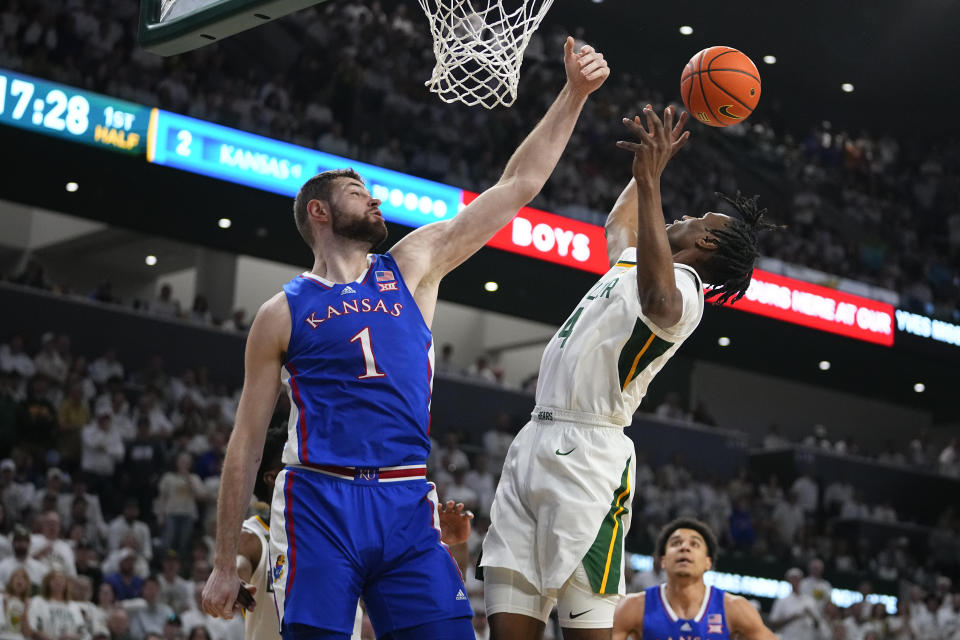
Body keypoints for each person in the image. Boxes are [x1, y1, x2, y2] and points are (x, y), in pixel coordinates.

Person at [201, 36, 611, 640]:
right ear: (318, 212)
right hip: (319, 499)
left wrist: (574, 95)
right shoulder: (280, 312)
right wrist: (219, 564)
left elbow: (517, 184)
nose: (375, 200)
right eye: (358, 193)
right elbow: (244, 443)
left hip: (403, 501)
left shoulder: (410, 265)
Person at [480, 105, 778, 640]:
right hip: (533, 441)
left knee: (585, 630)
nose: (681, 216)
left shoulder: (685, 293)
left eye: (696, 220)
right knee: (507, 626)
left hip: (590, 455)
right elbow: (619, 222)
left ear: (705, 243)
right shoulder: (634, 260)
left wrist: (653, 180)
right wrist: (647, 164)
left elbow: (655, 295)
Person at [235, 428, 476, 640]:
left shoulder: (339, 532)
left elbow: (440, 598)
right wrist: (234, 578)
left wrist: (452, 546)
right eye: (295, 462)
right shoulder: (254, 535)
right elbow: (240, 564)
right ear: (273, 477)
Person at [612, 518, 775, 640]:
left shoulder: (734, 608)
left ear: (707, 562)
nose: (685, 547)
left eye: (694, 544)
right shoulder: (633, 606)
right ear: (663, 560)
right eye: (676, 543)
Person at [768, 567, 825, 640]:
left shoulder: (810, 600)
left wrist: (811, 614)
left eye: (798, 579)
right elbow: (773, 623)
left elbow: (819, 625)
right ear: (789, 581)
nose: (796, 581)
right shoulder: (782, 601)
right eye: (793, 579)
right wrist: (792, 618)